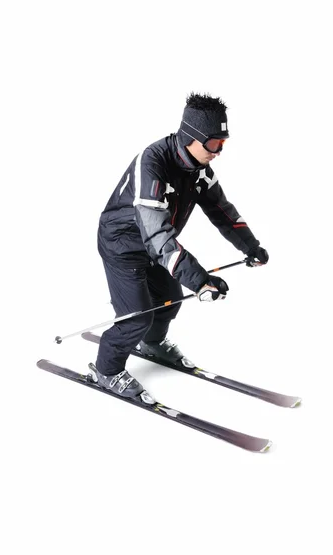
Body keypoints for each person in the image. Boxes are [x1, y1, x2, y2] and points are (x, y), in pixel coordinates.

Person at [95, 92, 268, 402]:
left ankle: (152, 343)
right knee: (136, 316)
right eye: (215, 144)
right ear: (192, 137)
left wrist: (251, 247)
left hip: (155, 246)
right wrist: (199, 280)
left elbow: (223, 212)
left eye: (223, 144)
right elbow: (158, 234)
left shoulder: (198, 169)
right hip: (123, 246)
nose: (219, 152)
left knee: (171, 301)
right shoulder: (152, 163)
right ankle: (107, 369)